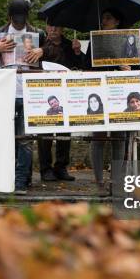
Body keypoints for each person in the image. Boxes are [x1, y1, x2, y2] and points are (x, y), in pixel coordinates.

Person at [0, 0, 46, 191]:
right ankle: (4, 178)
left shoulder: (37, 33)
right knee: (3, 137)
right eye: (16, 19)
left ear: (27, 16)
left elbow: (55, 51)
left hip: (29, 92)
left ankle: (21, 181)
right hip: (4, 92)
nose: (19, 22)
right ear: (9, 16)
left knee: (25, 139)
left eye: (22, 18)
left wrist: (42, 51)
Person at [82, 8, 132, 190]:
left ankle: (117, 180)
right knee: (98, 136)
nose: (104, 21)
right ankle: (98, 180)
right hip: (99, 91)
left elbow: (135, 65)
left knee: (119, 136)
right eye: (103, 18)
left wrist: (127, 68)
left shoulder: (127, 41)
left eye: (108, 18)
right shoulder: (94, 41)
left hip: (120, 92)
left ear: (117, 22)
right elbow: (85, 66)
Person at [37, 22, 85, 182]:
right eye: (50, 27)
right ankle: (45, 169)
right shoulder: (40, 44)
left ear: (62, 28)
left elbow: (81, 65)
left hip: (65, 93)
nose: (53, 30)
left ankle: (61, 167)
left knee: (65, 131)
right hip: (44, 92)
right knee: (45, 131)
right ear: (45, 28)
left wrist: (78, 52)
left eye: (56, 27)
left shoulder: (69, 44)